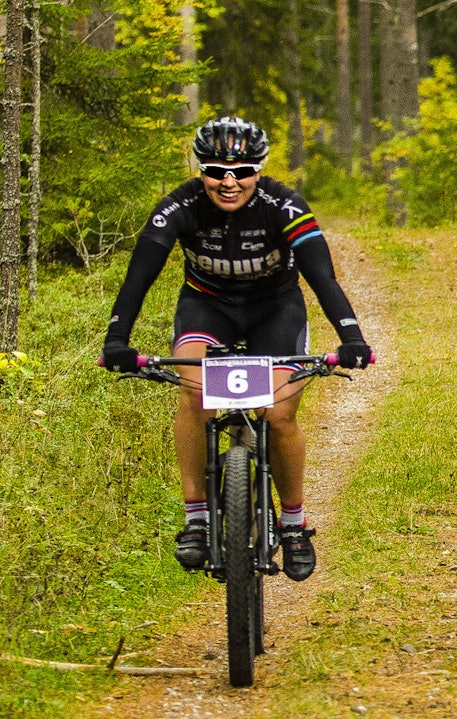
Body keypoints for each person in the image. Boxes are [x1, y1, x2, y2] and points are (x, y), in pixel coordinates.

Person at [101, 116, 372, 582]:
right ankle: (197, 518)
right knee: (193, 392)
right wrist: (116, 340)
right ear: (200, 169)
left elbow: (322, 278)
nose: (229, 181)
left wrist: (351, 336)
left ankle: (293, 526)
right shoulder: (179, 205)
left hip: (274, 310)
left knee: (278, 412)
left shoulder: (283, 205)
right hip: (208, 308)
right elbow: (138, 276)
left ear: (259, 170)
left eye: (243, 170)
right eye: (215, 170)